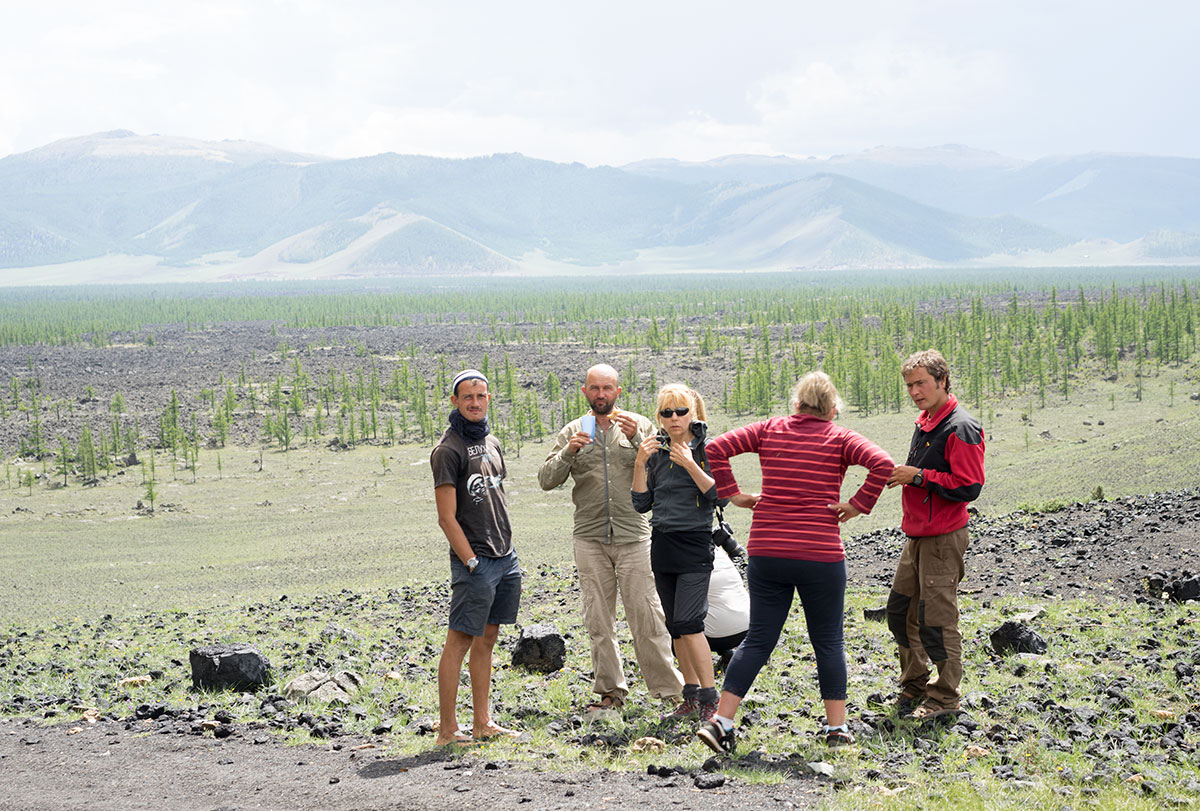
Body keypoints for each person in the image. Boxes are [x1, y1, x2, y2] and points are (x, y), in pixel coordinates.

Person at [697, 371, 894, 753]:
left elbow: (717, 447)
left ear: (796, 404)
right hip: (820, 554)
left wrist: (734, 494)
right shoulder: (840, 437)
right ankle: (836, 730)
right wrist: (857, 505)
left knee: (757, 640)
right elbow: (883, 464)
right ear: (833, 409)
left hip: (768, 551)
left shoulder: (771, 428)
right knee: (829, 642)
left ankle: (721, 723)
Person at [537, 364, 683, 712]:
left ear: (619, 391)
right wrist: (568, 452)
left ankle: (669, 691)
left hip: (634, 535)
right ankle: (611, 692)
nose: (601, 394)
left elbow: (665, 469)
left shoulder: (640, 425)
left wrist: (636, 440)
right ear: (584, 392)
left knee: (647, 616)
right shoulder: (573, 430)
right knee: (599, 620)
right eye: (594, 388)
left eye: (607, 388)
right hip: (589, 537)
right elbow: (545, 479)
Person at [884, 350, 985, 720]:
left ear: (942, 380)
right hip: (917, 535)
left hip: (943, 537)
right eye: (909, 385)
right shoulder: (927, 421)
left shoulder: (961, 427)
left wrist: (919, 477)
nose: (914, 391)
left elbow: (970, 486)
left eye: (921, 383)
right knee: (900, 612)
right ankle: (915, 684)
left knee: (937, 619)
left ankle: (944, 698)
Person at [430, 369, 522, 746]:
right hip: (476, 562)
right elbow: (446, 517)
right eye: (467, 397)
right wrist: (470, 561)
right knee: (459, 641)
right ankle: (448, 730)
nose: (474, 402)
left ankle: (483, 722)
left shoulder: (492, 442)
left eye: (481, 396)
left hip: (505, 557)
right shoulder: (447, 451)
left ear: (488, 399)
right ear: (454, 401)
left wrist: (508, 554)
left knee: (488, 638)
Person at [632, 384, 723, 722]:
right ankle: (691, 696)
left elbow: (721, 496)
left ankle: (711, 701)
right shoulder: (656, 451)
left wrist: (689, 463)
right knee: (676, 627)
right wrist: (640, 464)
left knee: (690, 622)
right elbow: (642, 503)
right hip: (663, 543)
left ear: (693, 413)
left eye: (681, 411)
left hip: (695, 542)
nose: (674, 419)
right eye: (666, 412)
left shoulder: (708, 449)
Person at [704, 545, 749, 670]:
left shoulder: (689, 558)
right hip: (749, 628)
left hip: (717, 636)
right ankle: (729, 654)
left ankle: (691, 665)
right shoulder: (721, 554)